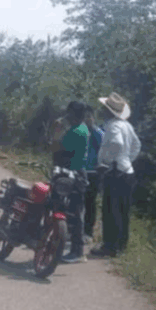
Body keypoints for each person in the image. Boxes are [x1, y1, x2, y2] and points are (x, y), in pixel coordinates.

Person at [90, 92, 142, 258]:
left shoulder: (113, 125)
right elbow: (136, 146)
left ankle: (109, 246)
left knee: (110, 210)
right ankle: (120, 245)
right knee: (123, 210)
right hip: (127, 171)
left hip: (115, 172)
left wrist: (108, 161)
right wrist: (126, 160)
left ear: (108, 111)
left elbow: (117, 143)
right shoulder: (126, 125)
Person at [50, 101, 90, 263]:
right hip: (73, 172)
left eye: (69, 113)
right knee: (70, 210)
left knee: (73, 212)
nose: (66, 115)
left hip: (71, 174)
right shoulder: (80, 129)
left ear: (74, 114)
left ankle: (77, 251)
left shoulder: (76, 132)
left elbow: (56, 148)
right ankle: (62, 242)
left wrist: (57, 132)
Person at [82, 105, 105, 243]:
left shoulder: (98, 133)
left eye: (89, 116)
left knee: (89, 203)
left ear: (93, 118)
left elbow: (103, 151)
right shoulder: (80, 131)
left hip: (92, 173)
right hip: (79, 170)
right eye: (84, 117)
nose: (87, 119)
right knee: (76, 201)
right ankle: (72, 229)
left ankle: (88, 232)